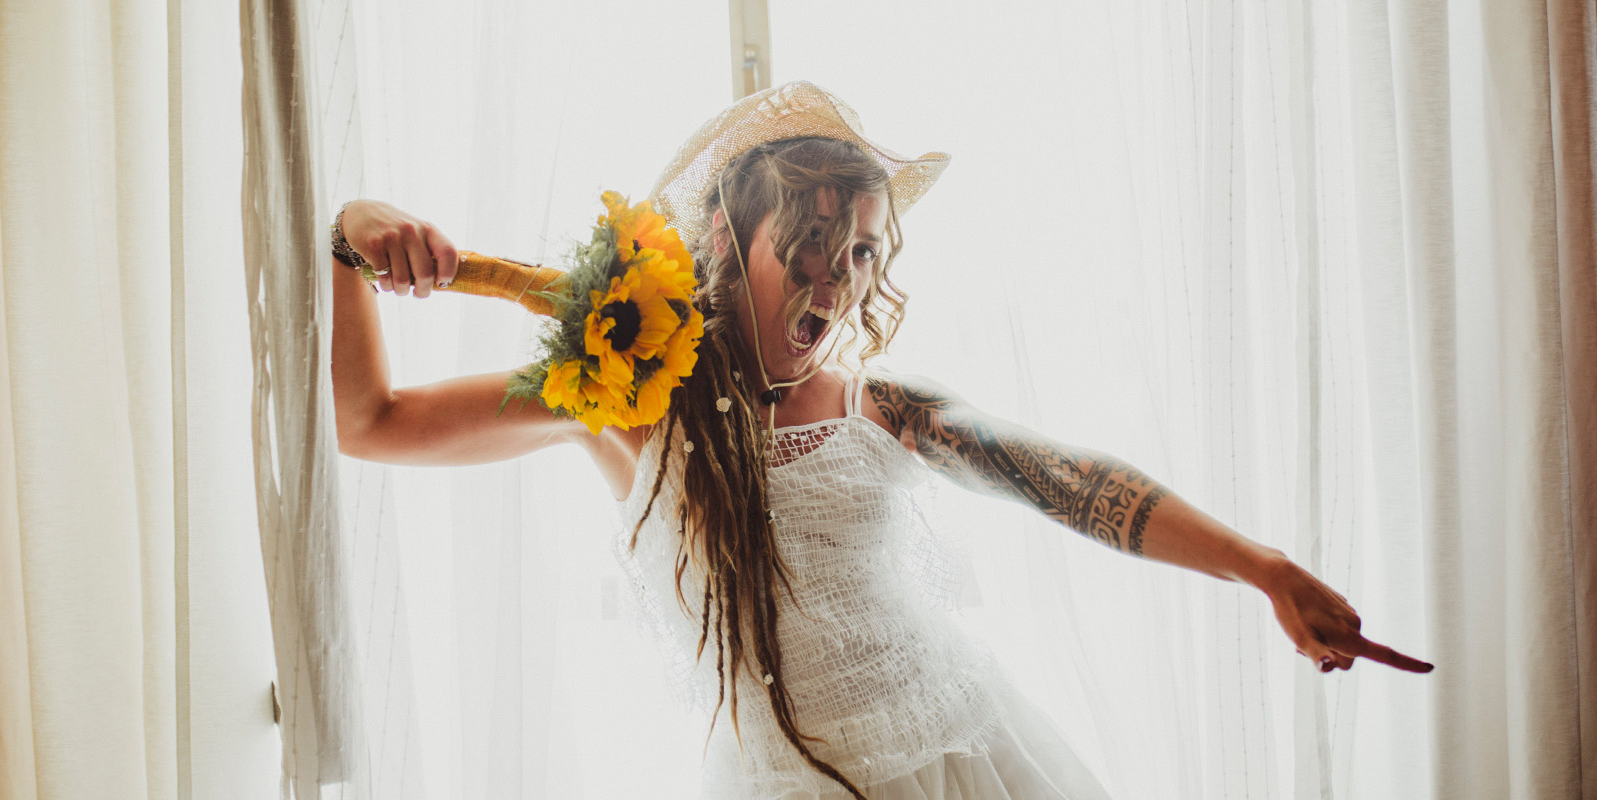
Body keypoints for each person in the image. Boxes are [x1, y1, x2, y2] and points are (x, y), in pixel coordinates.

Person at [328, 81, 1433, 800]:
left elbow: (1073, 481)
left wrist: (1263, 567)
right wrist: (351, 235)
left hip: (964, 750)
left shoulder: (885, 404)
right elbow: (370, 423)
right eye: (811, 241)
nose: (838, 281)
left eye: (860, 252)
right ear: (726, 237)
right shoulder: (623, 398)